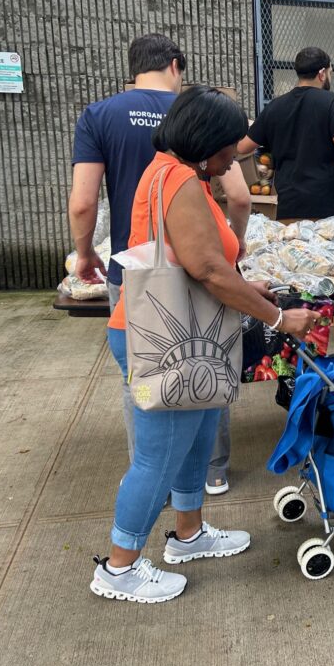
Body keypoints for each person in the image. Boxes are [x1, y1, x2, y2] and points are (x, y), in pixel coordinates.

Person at [91, 86, 319, 604]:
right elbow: (208, 269)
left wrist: (246, 287)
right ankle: (119, 567)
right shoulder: (180, 182)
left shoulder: (165, 172)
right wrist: (281, 318)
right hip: (165, 337)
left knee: (194, 441)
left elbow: (198, 264)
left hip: (178, 331)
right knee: (157, 458)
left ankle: (189, 535)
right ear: (205, 140)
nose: (231, 158)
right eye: (227, 149)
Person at [68, 34, 250, 495]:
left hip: (135, 277)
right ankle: (129, 554)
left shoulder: (102, 117)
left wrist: (85, 254)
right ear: (175, 65)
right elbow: (227, 230)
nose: (231, 158)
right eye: (229, 151)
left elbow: (84, 202)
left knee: (151, 395)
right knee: (189, 400)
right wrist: (238, 257)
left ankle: (180, 512)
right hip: (181, 299)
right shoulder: (192, 136)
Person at [237, 46, 334, 345]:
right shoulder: (332, 102)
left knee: (296, 285)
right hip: (328, 217)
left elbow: (242, 147)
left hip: (290, 214)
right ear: (324, 72)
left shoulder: (276, 107)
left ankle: (301, 359)